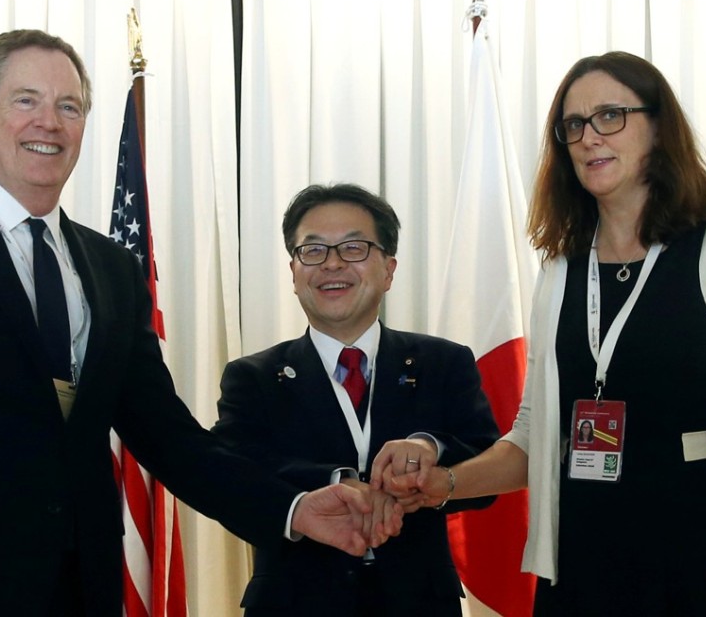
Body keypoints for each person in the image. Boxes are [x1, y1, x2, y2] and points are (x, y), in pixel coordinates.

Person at [0, 30, 400, 617]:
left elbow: (169, 438)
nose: (49, 123)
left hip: (85, 591)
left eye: (69, 106)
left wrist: (291, 509)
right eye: (26, 100)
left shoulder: (110, 269)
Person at [372, 51, 706, 616]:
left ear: (659, 128)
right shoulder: (560, 269)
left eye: (611, 115)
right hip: (585, 569)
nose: (588, 137)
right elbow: (533, 437)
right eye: (573, 125)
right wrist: (446, 484)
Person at [210, 183, 501, 616]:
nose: (332, 264)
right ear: (293, 272)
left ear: (388, 269)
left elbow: (486, 465)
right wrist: (335, 482)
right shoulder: (252, 377)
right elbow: (234, 475)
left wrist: (428, 449)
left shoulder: (444, 362)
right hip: (294, 604)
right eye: (313, 250)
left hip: (419, 603)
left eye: (353, 247)